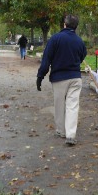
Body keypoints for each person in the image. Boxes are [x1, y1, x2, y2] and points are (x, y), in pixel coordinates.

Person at [36, 15, 87, 146]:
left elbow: (46, 59)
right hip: (75, 77)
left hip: (59, 78)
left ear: (65, 24)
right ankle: (71, 135)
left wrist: (40, 76)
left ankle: (61, 130)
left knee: (59, 104)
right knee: (73, 105)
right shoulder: (79, 41)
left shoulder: (55, 39)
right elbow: (82, 56)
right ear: (75, 26)